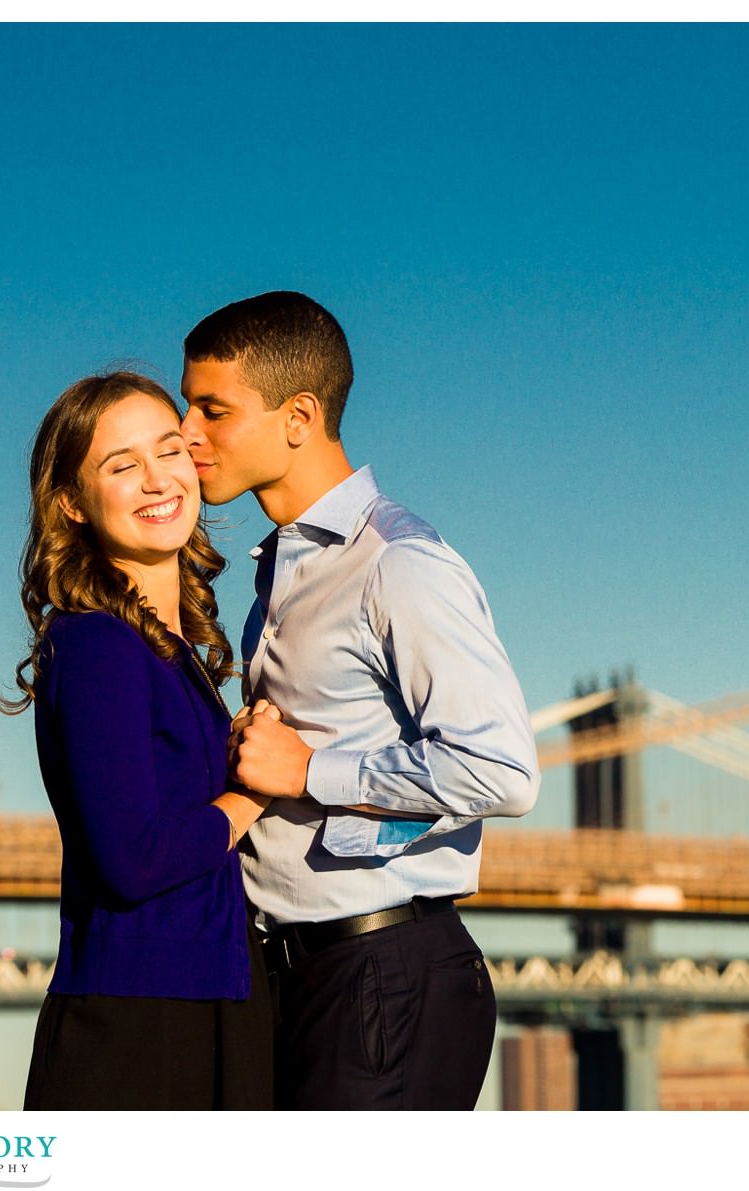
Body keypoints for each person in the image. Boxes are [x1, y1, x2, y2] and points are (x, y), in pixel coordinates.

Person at [179, 291, 540, 1110]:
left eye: (213, 410)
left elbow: (503, 770)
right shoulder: (283, 569)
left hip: (383, 979)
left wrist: (312, 768)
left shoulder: (398, 565)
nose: (188, 435)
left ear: (299, 415)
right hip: (298, 977)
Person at [4, 371, 273, 1111]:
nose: (159, 480)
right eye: (122, 466)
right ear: (71, 503)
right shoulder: (97, 643)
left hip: (208, 997)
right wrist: (253, 789)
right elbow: (134, 857)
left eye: (171, 451)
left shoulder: (168, 652)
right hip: (141, 1025)